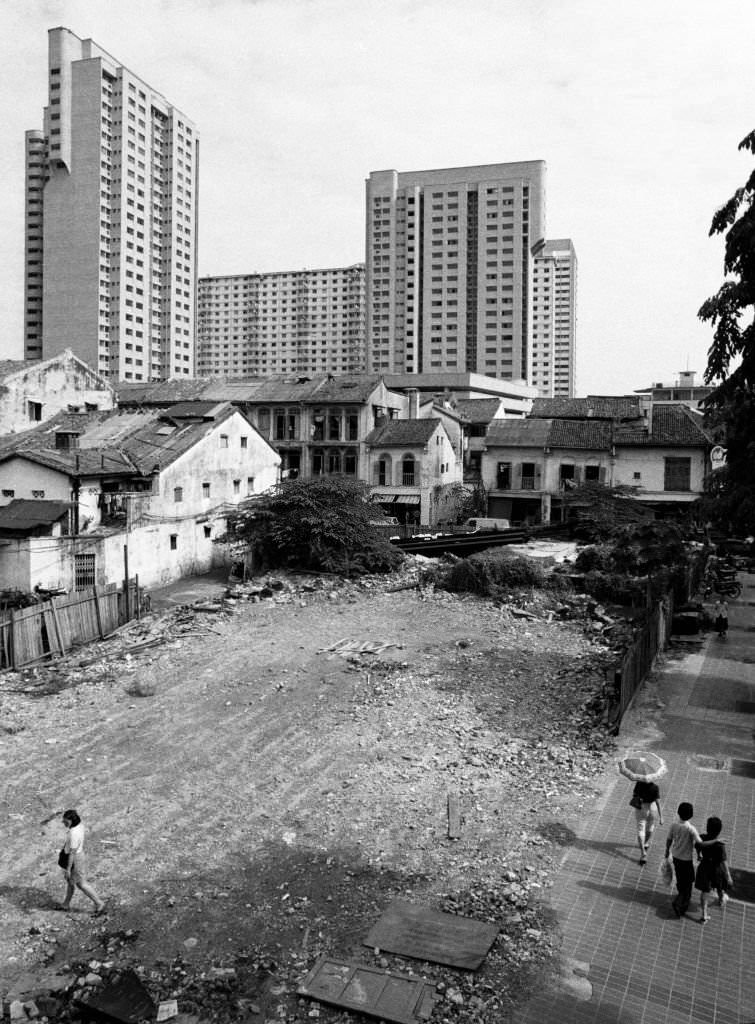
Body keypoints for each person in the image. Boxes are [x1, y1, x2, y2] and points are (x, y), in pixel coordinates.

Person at [58, 809, 106, 915]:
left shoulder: (73, 834)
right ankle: (65, 904)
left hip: (75, 860)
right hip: (78, 856)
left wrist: (68, 869)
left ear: (71, 820)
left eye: (65, 821)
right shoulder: (79, 826)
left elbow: (72, 853)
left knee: (81, 884)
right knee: (70, 883)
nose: (63, 822)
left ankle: (99, 903)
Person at [664, 802, 701, 918]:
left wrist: (667, 851)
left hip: (675, 857)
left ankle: (680, 895)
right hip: (686, 860)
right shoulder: (691, 829)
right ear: (691, 815)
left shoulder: (674, 825)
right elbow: (699, 843)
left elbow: (669, 839)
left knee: (680, 878)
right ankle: (681, 903)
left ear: (678, 813)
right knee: (688, 881)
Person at [695, 816, 733, 924]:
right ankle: (721, 900)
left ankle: (704, 915)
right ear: (719, 830)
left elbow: (697, 846)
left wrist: (699, 855)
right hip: (717, 869)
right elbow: (723, 861)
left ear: (707, 828)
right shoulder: (719, 844)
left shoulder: (702, 837)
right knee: (720, 887)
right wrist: (728, 875)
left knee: (705, 891)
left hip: (705, 867)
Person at [632, 779, 663, 865]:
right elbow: (658, 802)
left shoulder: (639, 784)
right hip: (652, 808)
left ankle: (643, 853)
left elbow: (634, 794)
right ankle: (645, 843)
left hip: (642, 808)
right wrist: (661, 817)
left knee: (641, 829)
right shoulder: (655, 787)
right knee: (650, 827)